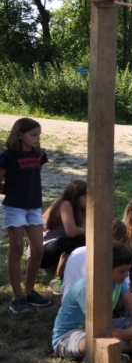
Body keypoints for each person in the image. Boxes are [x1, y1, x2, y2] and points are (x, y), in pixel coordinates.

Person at [53, 242, 132, 359]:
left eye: (127, 270)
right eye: (122, 271)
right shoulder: (87, 289)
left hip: (102, 328)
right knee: (97, 342)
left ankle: (130, 344)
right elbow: (102, 331)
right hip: (71, 335)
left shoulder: (118, 281)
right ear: (106, 268)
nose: (126, 275)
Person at [0, 117, 53, 313]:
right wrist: (11, 189)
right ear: (20, 135)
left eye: (39, 135)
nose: (37, 138)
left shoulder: (39, 154)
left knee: (38, 249)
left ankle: (30, 291)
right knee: (16, 249)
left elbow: (33, 177)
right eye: (33, 135)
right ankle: (17, 296)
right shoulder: (8, 156)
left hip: (34, 207)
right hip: (15, 207)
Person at [62, 220, 132, 316]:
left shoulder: (77, 252)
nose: (125, 274)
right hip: (95, 314)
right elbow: (123, 300)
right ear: (122, 242)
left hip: (69, 308)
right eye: (122, 271)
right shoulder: (112, 257)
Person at [41, 180, 87, 295]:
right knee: (80, 240)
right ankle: (57, 278)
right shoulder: (65, 204)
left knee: (81, 241)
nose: (89, 200)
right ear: (76, 197)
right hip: (42, 251)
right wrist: (86, 232)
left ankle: (70, 273)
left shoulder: (78, 209)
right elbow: (71, 232)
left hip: (56, 246)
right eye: (86, 197)